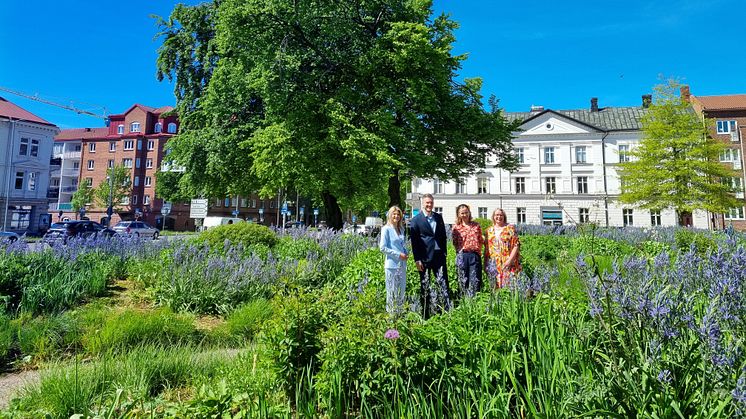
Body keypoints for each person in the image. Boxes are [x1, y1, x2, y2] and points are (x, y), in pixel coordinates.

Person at [409, 194, 451, 317]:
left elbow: (443, 235)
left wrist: (444, 252)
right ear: (423, 203)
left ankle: (445, 311)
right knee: (425, 286)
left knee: (443, 284)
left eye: (431, 202)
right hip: (424, 258)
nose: (429, 205)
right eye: (427, 203)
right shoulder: (416, 220)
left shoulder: (438, 217)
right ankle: (425, 314)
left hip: (439, 257)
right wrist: (417, 259)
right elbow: (414, 242)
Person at [378, 206, 408, 315]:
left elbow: (401, 245)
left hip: (402, 265)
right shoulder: (386, 229)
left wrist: (405, 252)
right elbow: (382, 248)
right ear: (390, 215)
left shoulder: (402, 229)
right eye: (394, 214)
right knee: (392, 292)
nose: (396, 216)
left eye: (398, 214)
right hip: (391, 265)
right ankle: (391, 317)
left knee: (401, 292)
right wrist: (398, 254)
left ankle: (399, 315)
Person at [451, 204, 484, 298]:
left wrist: (477, 251)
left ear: (469, 213)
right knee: (463, 280)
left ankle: (475, 303)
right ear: (458, 214)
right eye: (462, 213)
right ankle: (464, 302)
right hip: (462, 256)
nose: (464, 215)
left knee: (475, 280)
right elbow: (455, 243)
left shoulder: (476, 225)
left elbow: (480, 240)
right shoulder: (456, 227)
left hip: (474, 255)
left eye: (466, 212)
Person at [484, 208, 521, 288]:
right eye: (496, 215)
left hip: (508, 262)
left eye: (501, 215)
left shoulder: (510, 228)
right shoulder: (489, 231)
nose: (499, 217)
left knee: (509, 286)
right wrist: (485, 263)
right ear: (493, 217)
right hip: (494, 264)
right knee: (495, 287)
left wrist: (510, 260)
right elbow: (486, 249)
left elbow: (516, 245)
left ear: (504, 216)